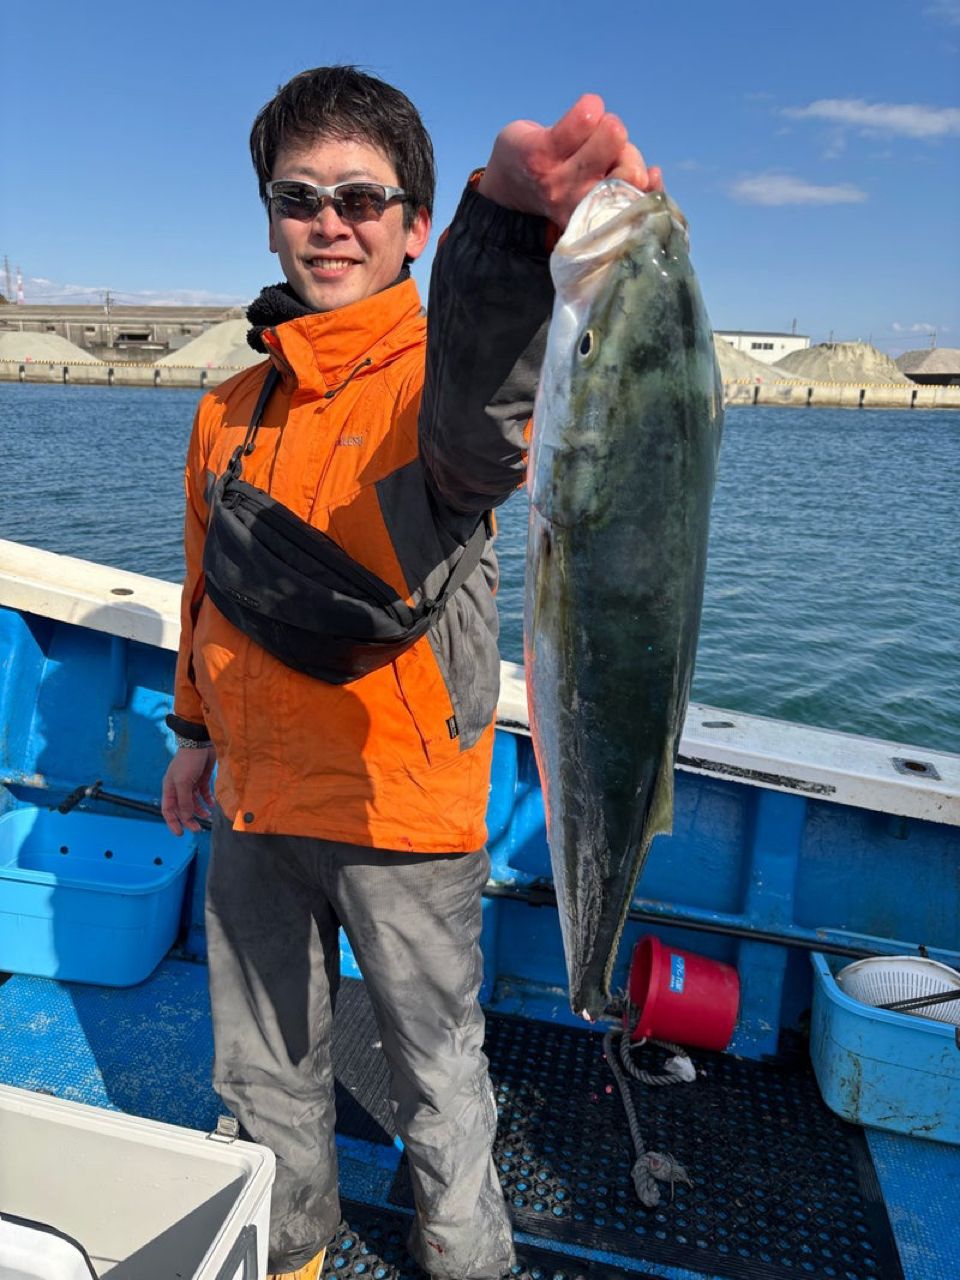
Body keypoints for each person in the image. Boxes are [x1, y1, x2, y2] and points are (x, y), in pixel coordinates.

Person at [161, 66, 661, 1280]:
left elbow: (487, 420)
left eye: (363, 198)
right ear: (270, 212)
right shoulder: (227, 407)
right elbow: (206, 585)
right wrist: (192, 731)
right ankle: (289, 1253)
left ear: (414, 226)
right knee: (264, 1070)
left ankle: (466, 1264)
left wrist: (506, 218)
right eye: (300, 195)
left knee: (439, 1079)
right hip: (257, 802)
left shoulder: (438, 381)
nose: (331, 222)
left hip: (404, 812)